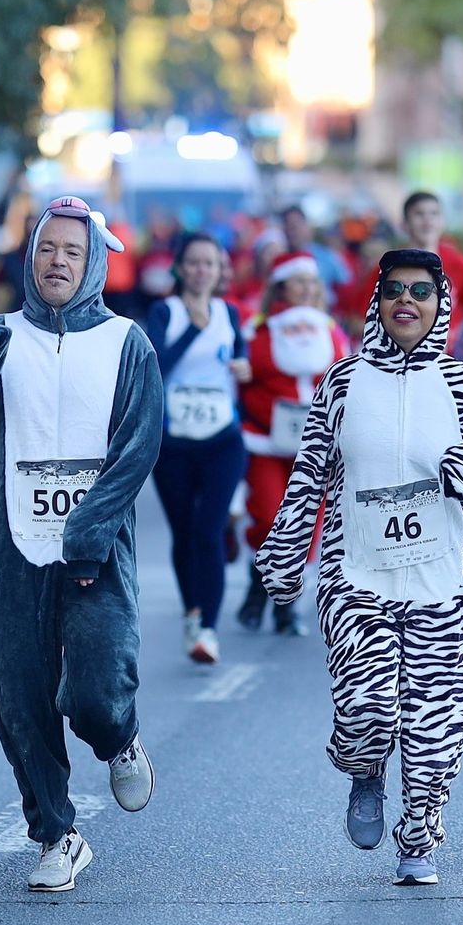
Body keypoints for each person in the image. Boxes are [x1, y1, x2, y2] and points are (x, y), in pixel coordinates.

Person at [256, 248, 463, 887]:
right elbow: (310, 469)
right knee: (367, 705)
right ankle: (365, 768)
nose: (408, 301)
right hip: (357, 575)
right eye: (395, 289)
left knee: (436, 725)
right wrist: (286, 552)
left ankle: (419, 839)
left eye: (421, 292)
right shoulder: (342, 382)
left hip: (448, 583)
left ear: (440, 305)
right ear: (378, 302)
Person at [0, 196, 161, 893]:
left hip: (94, 553)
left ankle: (119, 736)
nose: (56, 261)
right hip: (15, 554)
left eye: (70, 250)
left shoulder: (128, 342)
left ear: (93, 260)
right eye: (45, 249)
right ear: (28, 258)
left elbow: (138, 446)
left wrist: (90, 531)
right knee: (22, 699)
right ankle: (57, 834)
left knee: (94, 690)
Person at [140, 232, 251, 664]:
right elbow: (156, 365)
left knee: (208, 530)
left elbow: (238, 356)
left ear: (220, 270)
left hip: (223, 438)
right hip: (173, 441)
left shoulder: (230, 312)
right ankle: (192, 612)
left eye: (211, 263)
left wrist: (242, 366)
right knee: (185, 533)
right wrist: (193, 330)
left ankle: (208, 627)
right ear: (181, 268)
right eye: (195, 263)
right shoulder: (163, 311)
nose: (202, 270)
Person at [237, 251, 351, 634]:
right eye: (297, 280)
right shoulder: (259, 329)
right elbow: (247, 375)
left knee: (307, 528)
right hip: (267, 442)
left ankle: (285, 606)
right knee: (270, 518)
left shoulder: (331, 329)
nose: (306, 287)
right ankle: (258, 586)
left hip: (316, 446)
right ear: (281, 285)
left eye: (311, 281)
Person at [358, 191, 463, 354]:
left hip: (449, 360)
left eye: (434, 214)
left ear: (442, 222)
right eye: (419, 214)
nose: (428, 220)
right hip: (398, 361)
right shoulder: (388, 267)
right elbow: (358, 321)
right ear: (404, 224)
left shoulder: (460, 263)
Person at [282, 204, 352, 294]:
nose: (292, 231)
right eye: (288, 226)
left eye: (296, 226)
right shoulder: (280, 259)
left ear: (306, 226)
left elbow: (346, 286)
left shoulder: (327, 256)